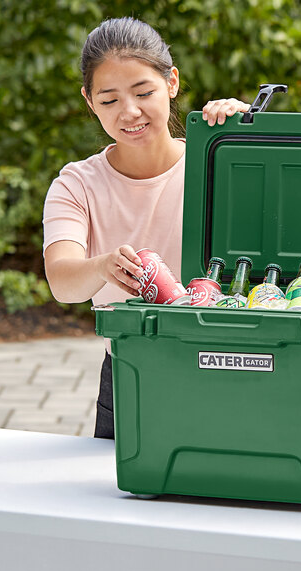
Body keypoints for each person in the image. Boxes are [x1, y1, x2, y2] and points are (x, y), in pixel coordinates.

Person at [43, 17, 249, 439]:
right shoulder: (77, 184)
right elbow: (63, 282)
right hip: (130, 376)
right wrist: (102, 267)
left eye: (143, 92)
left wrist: (250, 140)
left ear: (172, 82)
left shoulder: (217, 165)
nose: (130, 112)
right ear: (89, 101)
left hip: (231, 367)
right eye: (110, 99)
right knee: (122, 500)